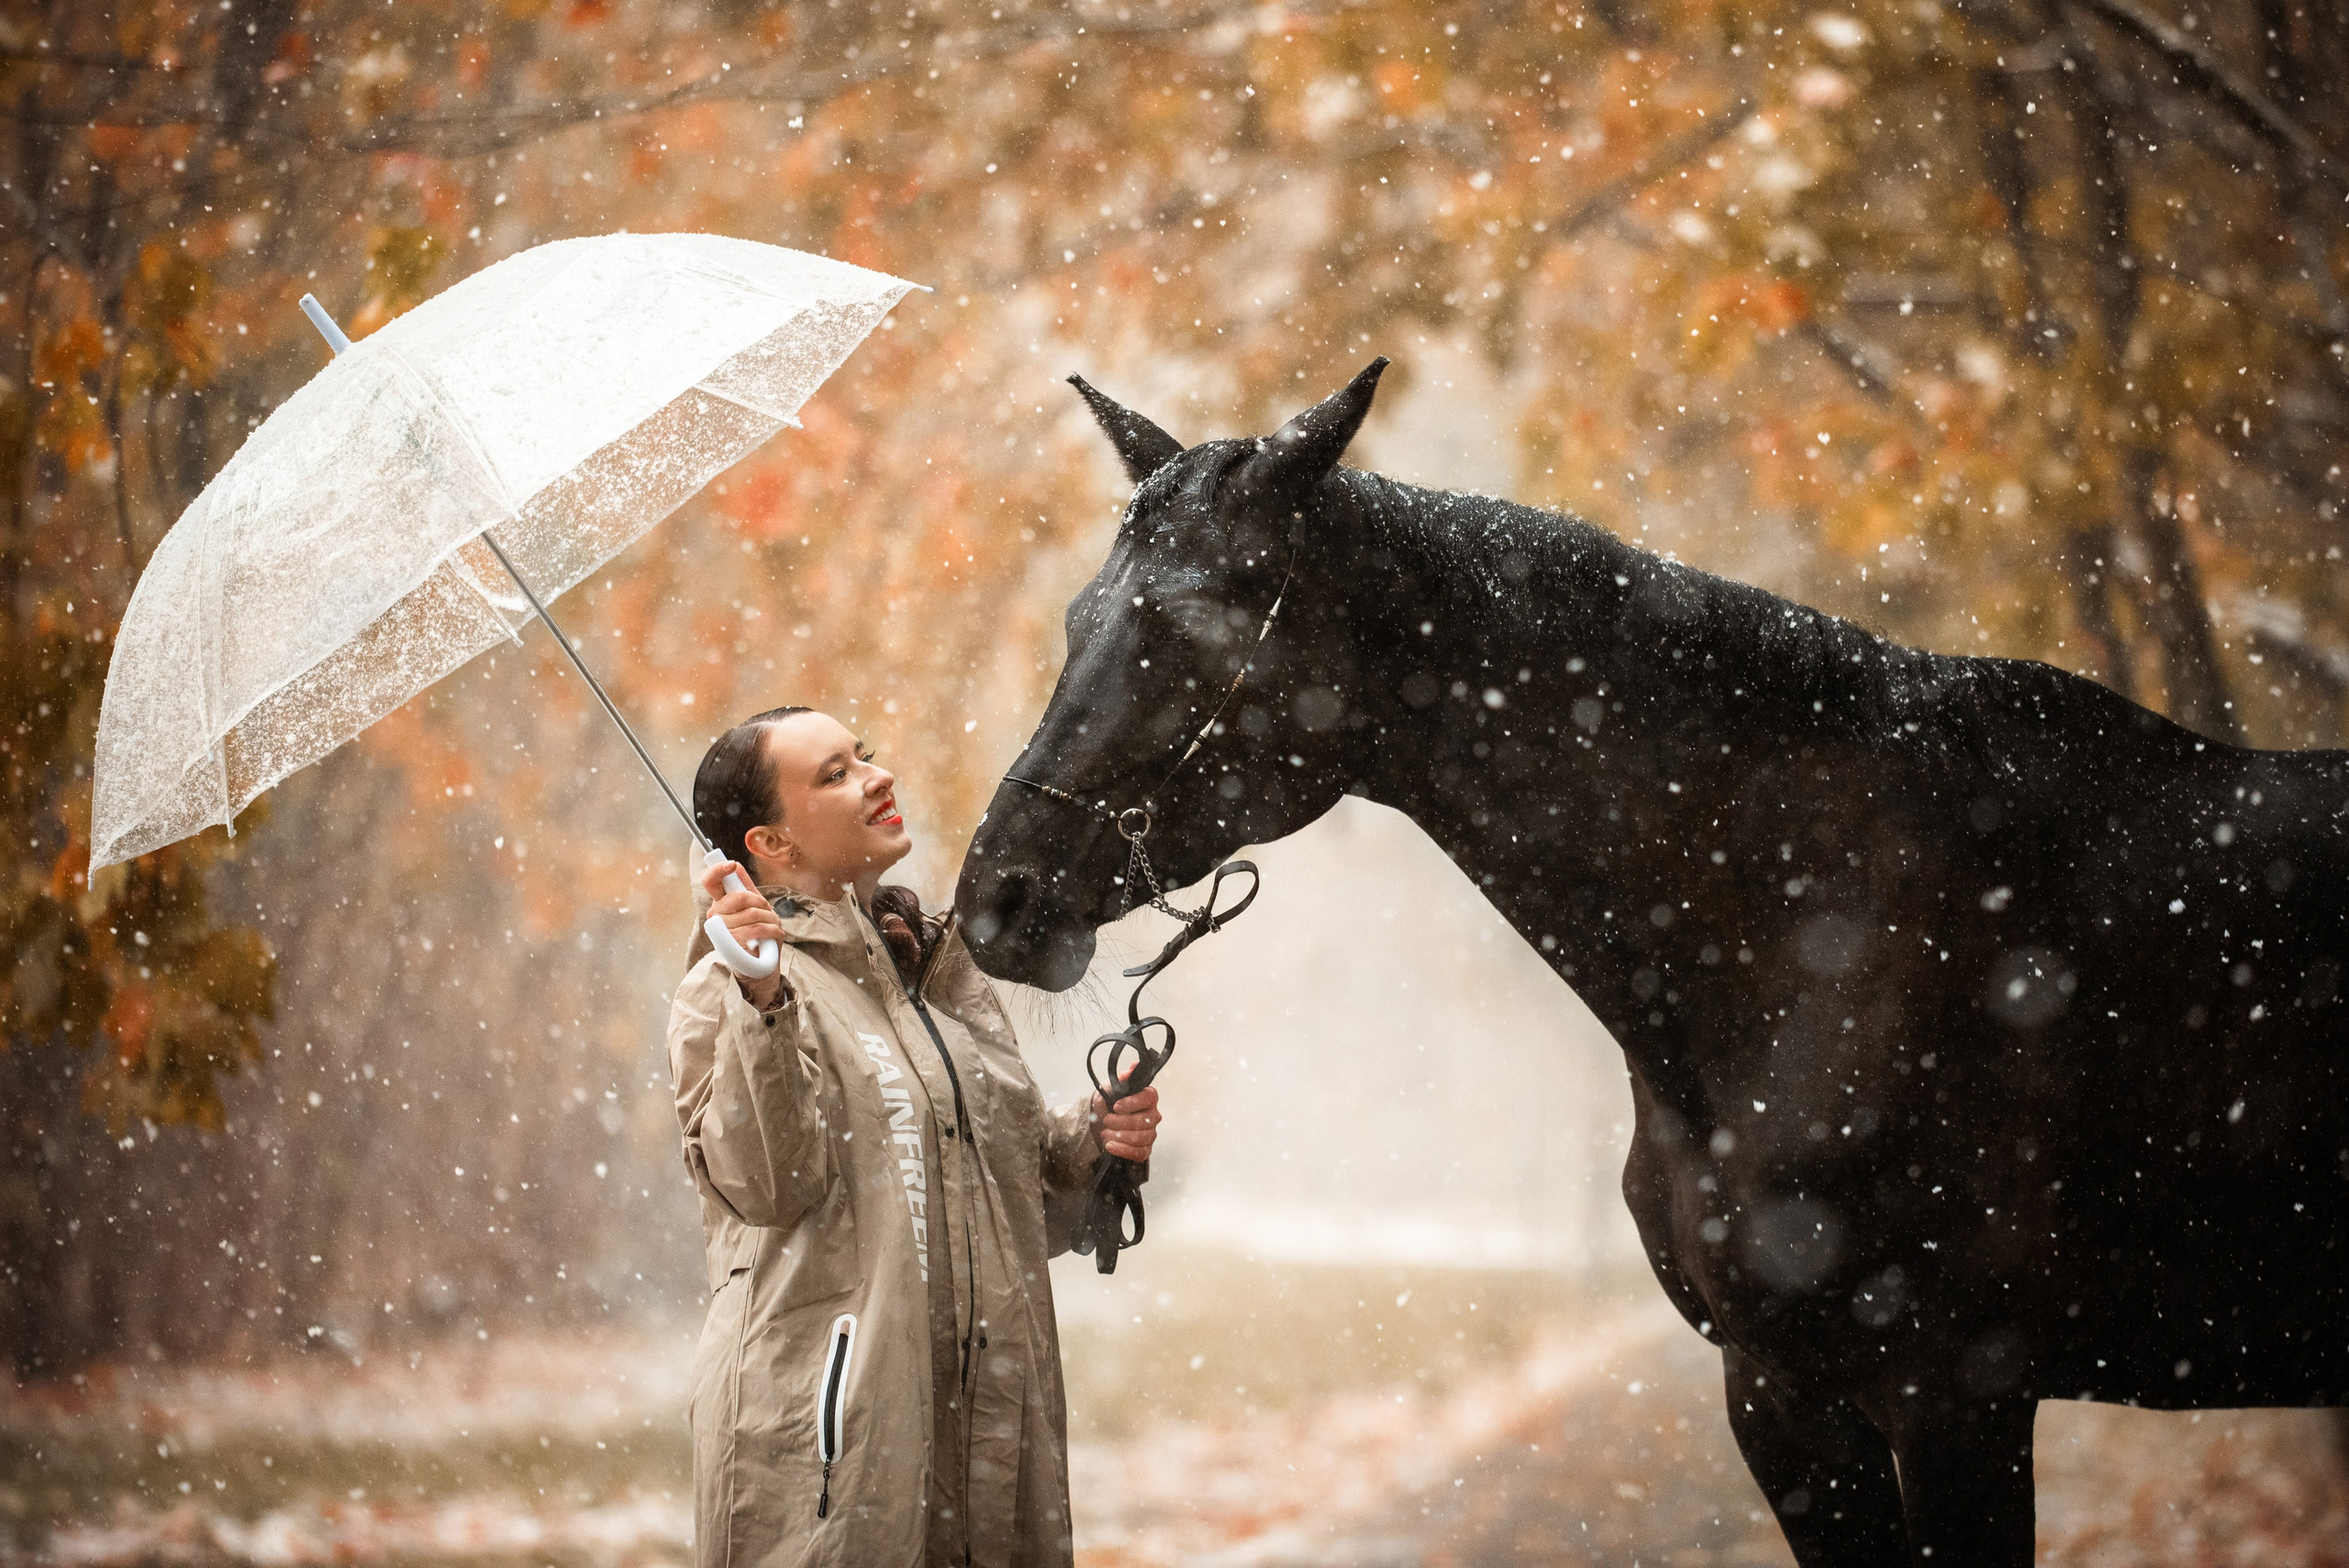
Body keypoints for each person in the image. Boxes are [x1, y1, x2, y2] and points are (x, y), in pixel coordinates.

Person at [668, 705, 1160, 1568]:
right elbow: (769, 1184)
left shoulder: (934, 967)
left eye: (863, 755)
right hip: (835, 1450)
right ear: (771, 846)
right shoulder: (732, 987)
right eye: (834, 774)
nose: (877, 775)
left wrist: (1095, 1139)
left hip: (983, 1427)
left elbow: (1002, 1201)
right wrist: (762, 1002)